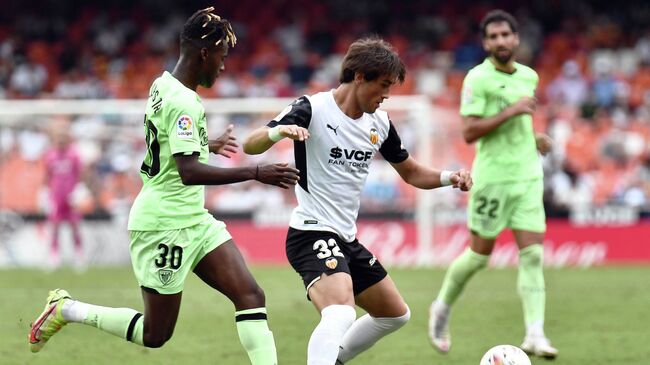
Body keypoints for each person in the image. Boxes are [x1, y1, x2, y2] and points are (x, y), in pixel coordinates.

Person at [28, 8, 300, 365]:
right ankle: (66, 309)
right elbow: (187, 170)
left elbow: (169, 145)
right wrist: (255, 171)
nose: (222, 65)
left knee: (250, 295)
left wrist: (208, 145)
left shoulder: (164, 84)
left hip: (193, 219)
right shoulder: (183, 101)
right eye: (221, 55)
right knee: (156, 334)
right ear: (204, 52)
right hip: (163, 225)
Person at [243, 37, 472, 365]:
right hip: (311, 232)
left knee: (395, 314)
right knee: (339, 313)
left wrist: (450, 177)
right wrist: (280, 132)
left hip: (346, 239)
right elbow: (251, 145)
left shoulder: (380, 122)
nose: (387, 95)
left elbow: (410, 172)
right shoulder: (312, 108)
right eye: (383, 85)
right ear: (360, 76)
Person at [428, 9, 558, 359]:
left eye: (506, 35)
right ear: (486, 43)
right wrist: (511, 112)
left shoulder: (528, 76)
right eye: (494, 36)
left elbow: (517, 128)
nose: (501, 41)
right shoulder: (477, 79)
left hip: (528, 177)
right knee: (479, 257)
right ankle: (440, 308)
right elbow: (469, 132)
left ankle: (534, 333)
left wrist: (535, 140)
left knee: (532, 255)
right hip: (493, 180)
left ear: (516, 38)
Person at [43, 126, 83, 269]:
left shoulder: (74, 155)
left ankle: (78, 255)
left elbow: (80, 173)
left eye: (63, 139)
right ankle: (54, 256)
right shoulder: (50, 155)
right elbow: (47, 175)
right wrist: (45, 192)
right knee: (55, 226)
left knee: (74, 226)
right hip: (56, 197)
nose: (60, 142)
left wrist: (79, 189)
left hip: (70, 197)